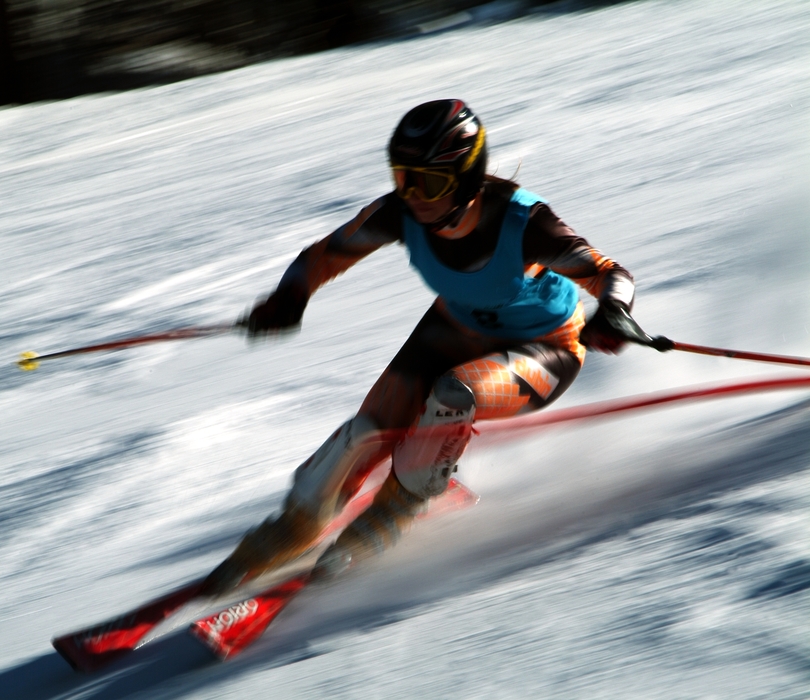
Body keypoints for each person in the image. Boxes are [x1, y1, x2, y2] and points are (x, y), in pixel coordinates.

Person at [200, 99, 652, 596]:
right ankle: (296, 523)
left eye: (430, 183)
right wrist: (290, 296)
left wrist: (612, 313)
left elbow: (611, 274)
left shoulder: (523, 223)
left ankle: (396, 509)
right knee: (364, 433)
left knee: (454, 394)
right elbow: (323, 255)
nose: (414, 197)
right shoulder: (401, 214)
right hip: (452, 330)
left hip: (543, 348)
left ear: (466, 178)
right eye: (402, 178)